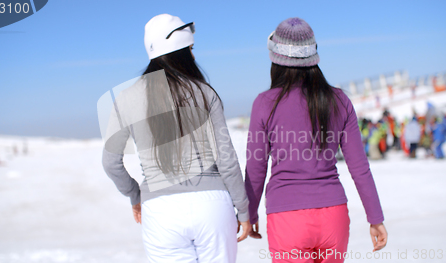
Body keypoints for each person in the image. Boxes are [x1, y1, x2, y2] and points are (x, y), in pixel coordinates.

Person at [102, 14, 251, 263]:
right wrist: (243, 209)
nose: (193, 56)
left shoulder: (126, 97)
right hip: (212, 206)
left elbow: (110, 163)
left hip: (160, 211)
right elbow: (226, 158)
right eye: (190, 49)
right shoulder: (205, 93)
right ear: (181, 51)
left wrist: (135, 195)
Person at [244, 18, 387, 263]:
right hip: (334, 216)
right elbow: (360, 167)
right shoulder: (339, 100)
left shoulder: (264, 103)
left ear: (275, 59)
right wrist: (375, 217)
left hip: (287, 217)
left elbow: (256, 168)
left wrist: (250, 215)